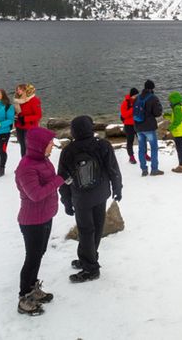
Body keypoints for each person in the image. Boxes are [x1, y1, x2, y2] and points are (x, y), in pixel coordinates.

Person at [58, 115, 123, 283]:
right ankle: (90, 257)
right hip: (100, 194)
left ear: (73, 131)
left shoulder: (68, 151)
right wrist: (117, 188)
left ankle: (90, 268)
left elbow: (63, 179)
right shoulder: (102, 145)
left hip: (81, 198)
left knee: (86, 230)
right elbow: (113, 169)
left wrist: (66, 202)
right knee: (96, 227)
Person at [15, 126, 65, 316]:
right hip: (32, 220)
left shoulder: (43, 160)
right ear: (39, 146)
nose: (52, 146)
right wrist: (60, 180)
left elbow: (48, 183)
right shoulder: (26, 167)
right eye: (49, 144)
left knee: (39, 253)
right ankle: (23, 298)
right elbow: (36, 194)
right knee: (32, 257)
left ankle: (32, 288)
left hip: (45, 216)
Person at [133, 80, 163, 176]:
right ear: (152, 88)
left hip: (138, 127)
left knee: (142, 149)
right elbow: (157, 113)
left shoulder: (137, 98)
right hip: (149, 127)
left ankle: (144, 170)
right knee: (153, 148)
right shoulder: (153, 98)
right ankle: (154, 170)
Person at [13, 83, 42, 158]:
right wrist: (14, 115)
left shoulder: (34, 100)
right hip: (19, 126)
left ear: (26, 90)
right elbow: (18, 112)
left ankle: (30, 165)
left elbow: (38, 115)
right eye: (17, 89)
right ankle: (24, 163)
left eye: (20, 89)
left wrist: (25, 119)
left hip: (30, 127)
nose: (18, 91)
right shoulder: (17, 101)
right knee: (22, 146)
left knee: (29, 147)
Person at [168, 91, 182, 173]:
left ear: (174, 99)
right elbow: (177, 118)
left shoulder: (177, 108)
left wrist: (169, 128)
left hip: (179, 132)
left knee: (179, 148)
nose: (169, 102)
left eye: (170, 100)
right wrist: (169, 116)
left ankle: (181, 166)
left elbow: (177, 121)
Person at [119, 88, 139, 165]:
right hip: (128, 125)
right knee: (130, 141)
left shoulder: (138, 102)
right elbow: (124, 115)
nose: (136, 96)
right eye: (135, 95)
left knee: (141, 140)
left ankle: (144, 154)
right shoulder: (125, 103)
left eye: (137, 95)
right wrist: (132, 109)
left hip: (138, 124)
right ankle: (131, 157)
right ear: (131, 95)